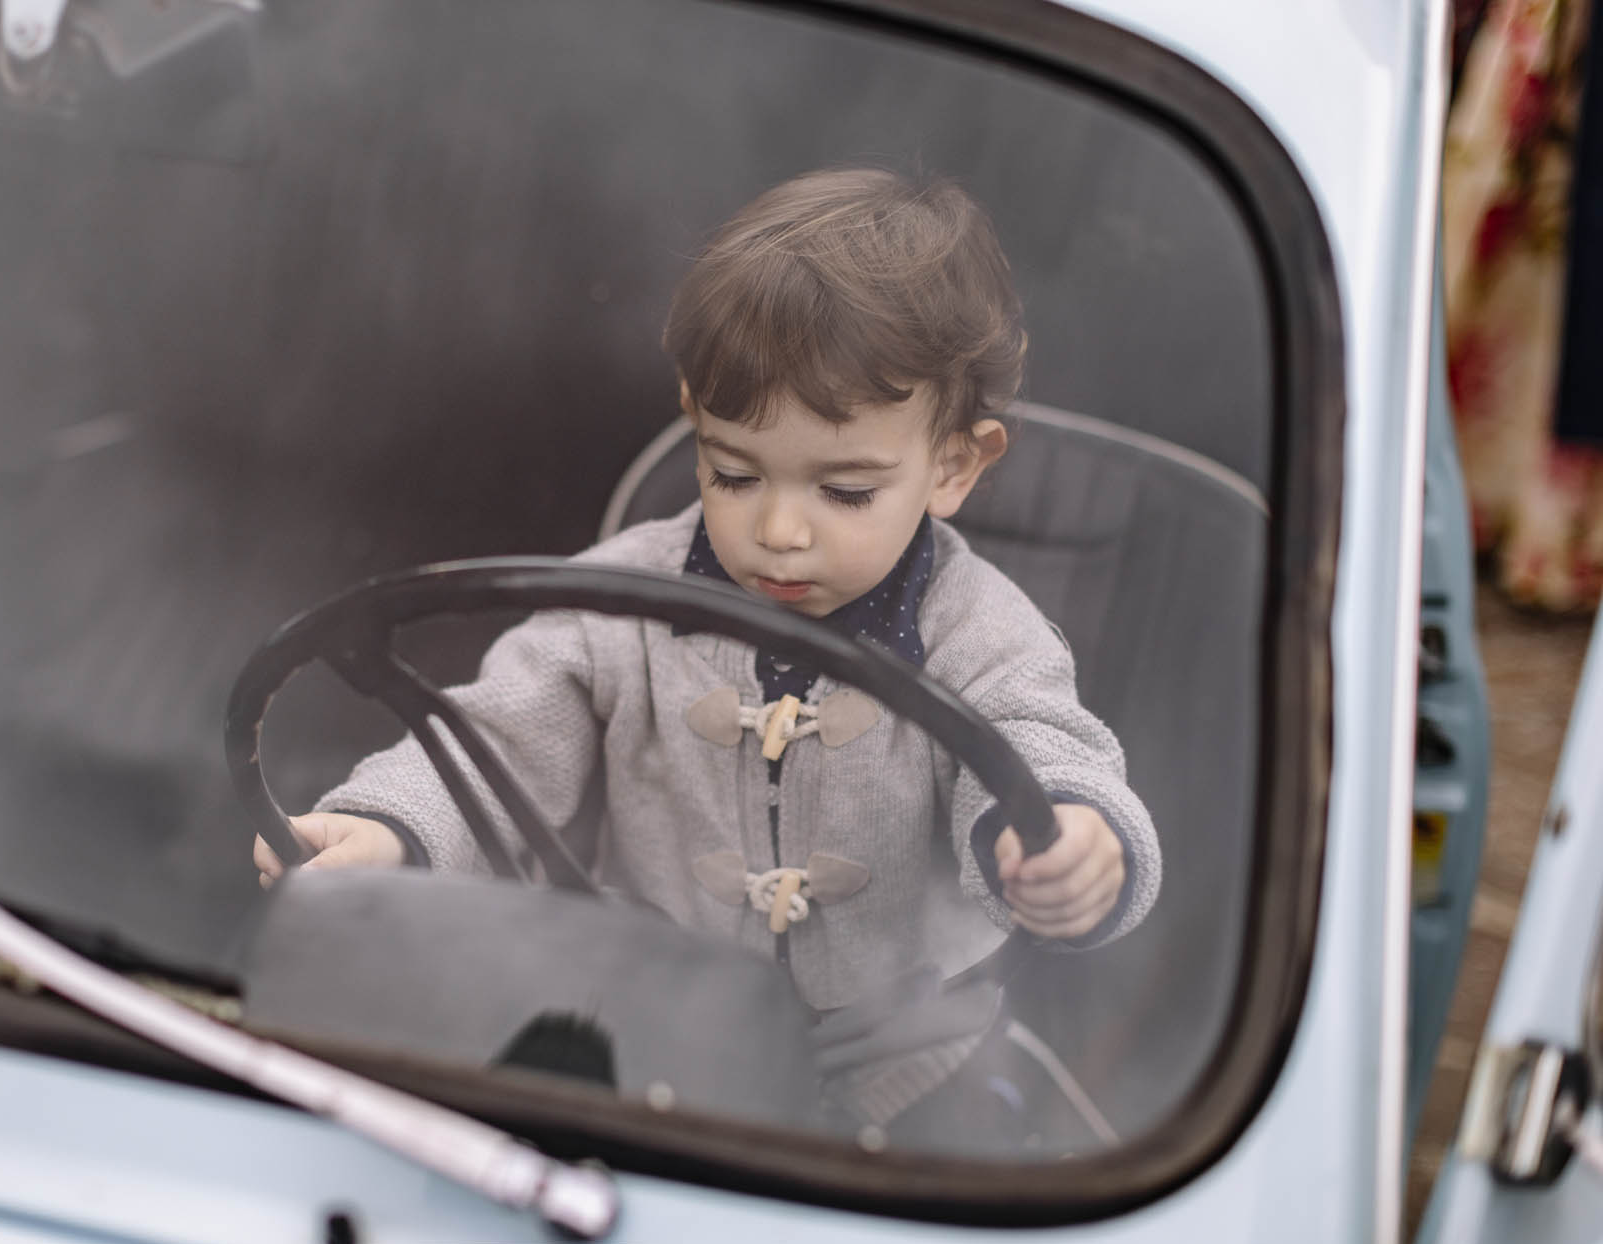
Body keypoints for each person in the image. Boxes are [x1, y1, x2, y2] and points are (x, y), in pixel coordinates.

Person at [253, 168, 1161, 1135]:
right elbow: (497, 737)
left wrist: (1066, 837)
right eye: (734, 473)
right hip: (654, 1032)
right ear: (695, 419)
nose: (778, 531)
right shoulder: (617, 602)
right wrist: (393, 831)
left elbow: (1039, 746)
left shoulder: (981, 633)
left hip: (909, 1060)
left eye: (845, 492)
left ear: (954, 464)